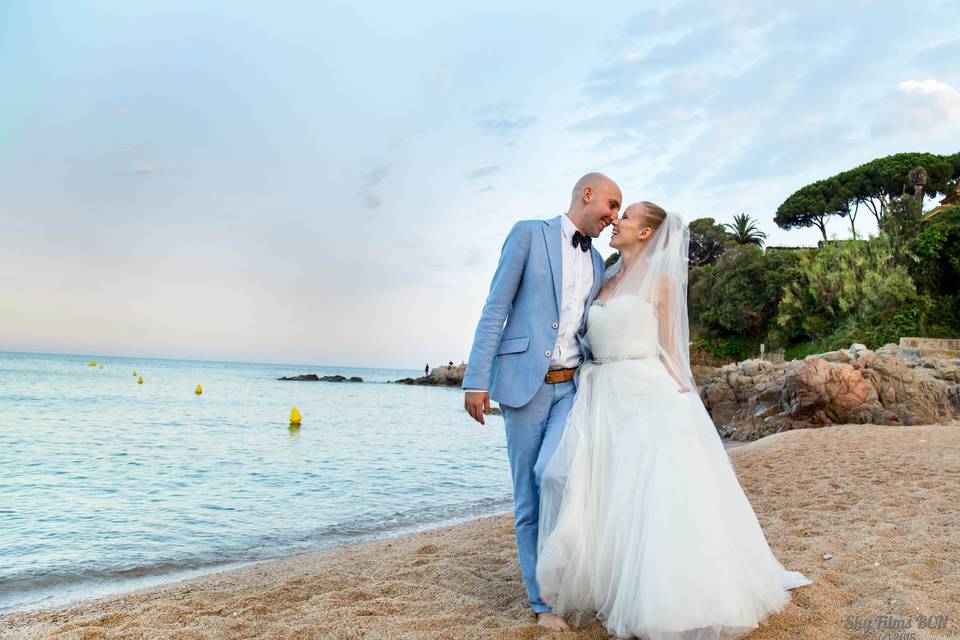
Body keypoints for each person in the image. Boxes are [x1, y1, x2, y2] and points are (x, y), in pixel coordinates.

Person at [535, 202, 812, 639]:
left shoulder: (661, 283)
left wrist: (681, 393)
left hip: (641, 388)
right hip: (598, 391)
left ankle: (665, 594)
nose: (616, 222)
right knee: (604, 488)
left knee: (650, 490)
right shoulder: (604, 277)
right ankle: (609, 582)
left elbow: (669, 347)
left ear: (645, 233)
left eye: (625, 218)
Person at [463, 173, 621, 631]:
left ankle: (571, 576)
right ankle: (542, 601)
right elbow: (497, 307)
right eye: (611, 205)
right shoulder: (528, 234)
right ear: (586, 194)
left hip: (574, 388)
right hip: (522, 387)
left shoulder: (597, 261)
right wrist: (476, 381)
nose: (613, 216)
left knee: (558, 473)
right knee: (528, 498)